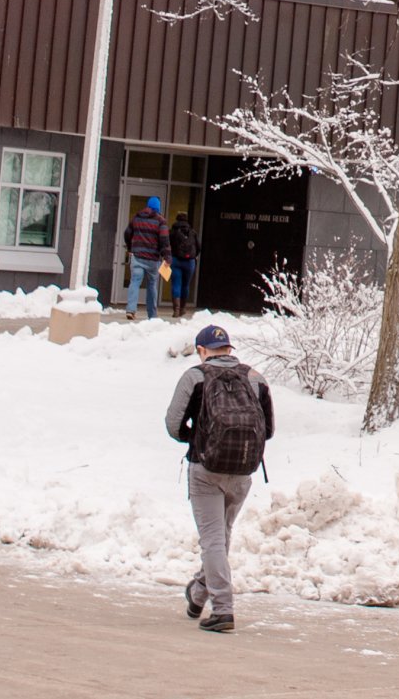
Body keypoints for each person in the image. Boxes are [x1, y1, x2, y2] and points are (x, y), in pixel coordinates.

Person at [164, 324, 275, 634]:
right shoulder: (254, 377)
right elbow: (268, 430)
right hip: (243, 470)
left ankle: (223, 609)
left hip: (205, 471)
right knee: (222, 536)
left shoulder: (195, 377)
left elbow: (173, 424)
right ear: (229, 349)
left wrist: (196, 440)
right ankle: (198, 594)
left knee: (213, 539)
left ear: (202, 351)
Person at [124, 196, 168, 320]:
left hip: (137, 257)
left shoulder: (137, 218)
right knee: (152, 285)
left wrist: (130, 247)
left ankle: (131, 310)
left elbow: (127, 233)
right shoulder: (161, 221)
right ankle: (152, 314)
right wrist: (167, 257)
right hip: (153, 259)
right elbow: (164, 240)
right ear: (158, 208)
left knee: (134, 282)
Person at [168, 211, 199, 319]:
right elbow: (198, 247)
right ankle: (183, 308)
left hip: (175, 260)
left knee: (176, 284)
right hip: (189, 262)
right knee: (185, 285)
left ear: (177, 219)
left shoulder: (172, 232)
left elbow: (167, 245)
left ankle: (176, 310)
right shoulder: (192, 232)